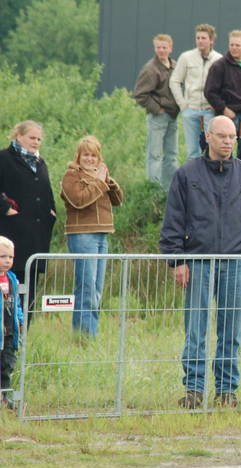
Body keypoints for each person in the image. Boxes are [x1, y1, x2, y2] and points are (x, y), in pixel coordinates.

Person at [159, 116, 241, 408]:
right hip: (197, 261)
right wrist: (176, 261)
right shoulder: (186, 174)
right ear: (207, 136)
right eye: (222, 136)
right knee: (195, 329)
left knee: (230, 330)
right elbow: (173, 221)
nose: (228, 142)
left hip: (234, 262)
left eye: (232, 137)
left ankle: (226, 392)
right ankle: (194, 391)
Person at [60, 136, 124, 337]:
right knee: (86, 287)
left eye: (93, 155)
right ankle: (84, 335)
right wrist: (98, 181)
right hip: (82, 235)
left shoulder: (100, 175)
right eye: (85, 154)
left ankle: (90, 333)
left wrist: (110, 183)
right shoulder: (71, 176)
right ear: (78, 156)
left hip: (102, 234)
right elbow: (79, 201)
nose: (89, 159)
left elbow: (118, 201)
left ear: (99, 158)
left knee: (97, 288)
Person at [0, 121, 57, 318]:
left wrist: (51, 212)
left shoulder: (40, 163)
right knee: (7, 289)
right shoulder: (3, 158)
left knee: (29, 292)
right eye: (32, 138)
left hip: (36, 239)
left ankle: (23, 338)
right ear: (19, 136)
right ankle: (6, 341)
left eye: (39, 139)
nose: (36, 142)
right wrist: (6, 208)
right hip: (10, 238)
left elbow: (47, 193)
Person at [204, 30, 241, 167]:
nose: (234, 48)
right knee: (225, 150)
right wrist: (224, 109)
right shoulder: (219, 66)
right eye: (231, 45)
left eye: (237, 45)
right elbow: (210, 92)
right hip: (229, 115)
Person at [133, 34, 179, 191]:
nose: (161, 50)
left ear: (170, 48)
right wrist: (156, 109)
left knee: (172, 155)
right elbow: (140, 94)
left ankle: (170, 189)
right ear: (154, 48)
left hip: (173, 116)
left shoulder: (175, 65)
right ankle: (154, 190)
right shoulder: (150, 69)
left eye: (164, 47)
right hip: (158, 117)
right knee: (155, 155)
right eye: (158, 47)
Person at [169, 24, 222, 160]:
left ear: (211, 40)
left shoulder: (219, 60)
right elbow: (174, 81)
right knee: (192, 152)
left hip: (209, 111)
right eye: (197, 38)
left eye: (203, 38)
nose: (199, 40)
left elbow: (225, 85)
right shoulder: (186, 57)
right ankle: (194, 181)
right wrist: (183, 104)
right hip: (190, 110)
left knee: (211, 149)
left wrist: (218, 104)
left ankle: (210, 179)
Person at [0, 236, 23, 410]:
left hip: (9, 332)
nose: (7, 261)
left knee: (7, 365)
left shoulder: (13, 279)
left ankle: (4, 397)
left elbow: (17, 303)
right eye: (2, 257)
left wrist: (20, 320)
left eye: (10, 257)